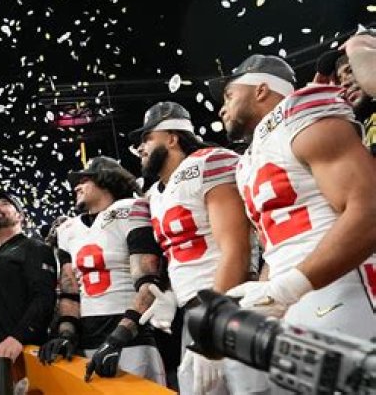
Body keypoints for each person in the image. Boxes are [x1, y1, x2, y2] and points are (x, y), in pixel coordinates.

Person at [209, 54, 376, 343]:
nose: (222, 109)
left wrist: (287, 288)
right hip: (297, 297)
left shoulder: (301, 115)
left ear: (261, 90)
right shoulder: (248, 161)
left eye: (229, 95)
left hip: (346, 286)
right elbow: (276, 249)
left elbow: (369, 210)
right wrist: (255, 304)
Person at [131, 101, 268, 394]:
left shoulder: (209, 163)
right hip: (194, 313)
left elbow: (236, 248)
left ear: (172, 137)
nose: (141, 148)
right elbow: (178, 254)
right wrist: (173, 294)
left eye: (148, 138)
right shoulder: (154, 194)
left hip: (230, 304)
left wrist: (213, 321)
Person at [38, 156, 166, 385]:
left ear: (106, 179)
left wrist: (118, 338)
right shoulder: (67, 230)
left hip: (131, 340)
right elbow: (70, 292)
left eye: (84, 180)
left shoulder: (130, 210)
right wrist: (66, 334)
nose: (76, 187)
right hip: (87, 342)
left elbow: (149, 284)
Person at [0, 189, 57, 360]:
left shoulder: (34, 248)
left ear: (20, 216)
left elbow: (44, 298)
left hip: (17, 353)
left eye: (4, 204)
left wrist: (19, 337)